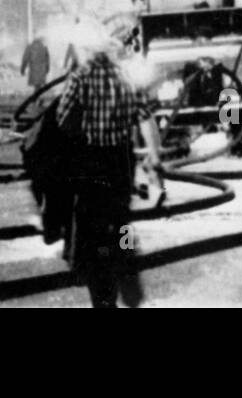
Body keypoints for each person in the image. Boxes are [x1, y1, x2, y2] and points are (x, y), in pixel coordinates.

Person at [56, 44, 163, 308]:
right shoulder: (125, 76)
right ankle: (125, 269)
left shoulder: (80, 77)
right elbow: (146, 118)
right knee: (121, 219)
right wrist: (154, 156)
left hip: (93, 161)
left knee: (93, 230)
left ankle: (102, 296)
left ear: (88, 53)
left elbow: (63, 118)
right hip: (121, 161)